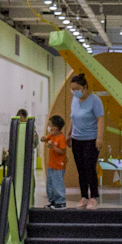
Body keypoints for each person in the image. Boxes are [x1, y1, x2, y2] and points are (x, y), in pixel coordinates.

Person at [66, 72, 105, 208]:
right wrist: (68, 134)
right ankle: (84, 196)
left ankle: (93, 197)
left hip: (90, 139)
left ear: (85, 87)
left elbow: (100, 119)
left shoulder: (95, 100)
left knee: (89, 167)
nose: (74, 91)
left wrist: (99, 137)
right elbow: (72, 117)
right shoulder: (74, 100)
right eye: (72, 89)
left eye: (77, 89)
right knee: (81, 169)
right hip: (77, 139)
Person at [41, 114, 69, 208]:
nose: (49, 127)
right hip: (51, 165)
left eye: (50, 125)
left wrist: (53, 147)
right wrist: (43, 138)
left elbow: (63, 151)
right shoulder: (52, 136)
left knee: (58, 184)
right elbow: (45, 138)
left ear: (56, 128)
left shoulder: (61, 138)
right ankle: (53, 201)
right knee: (50, 185)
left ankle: (61, 202)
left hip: (58, 167)